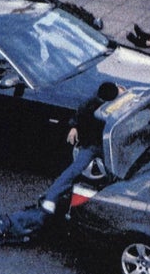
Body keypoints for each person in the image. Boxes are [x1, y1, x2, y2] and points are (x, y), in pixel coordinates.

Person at [40, 81, 120, 214]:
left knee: (73, 171)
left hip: (100, 144)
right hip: (96, 144)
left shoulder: (99, 100)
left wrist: (74, 127)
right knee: (77, 171)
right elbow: (80, 115)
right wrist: (74, 126)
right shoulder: (93, 105)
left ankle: (50, 198)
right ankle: (51, 197)